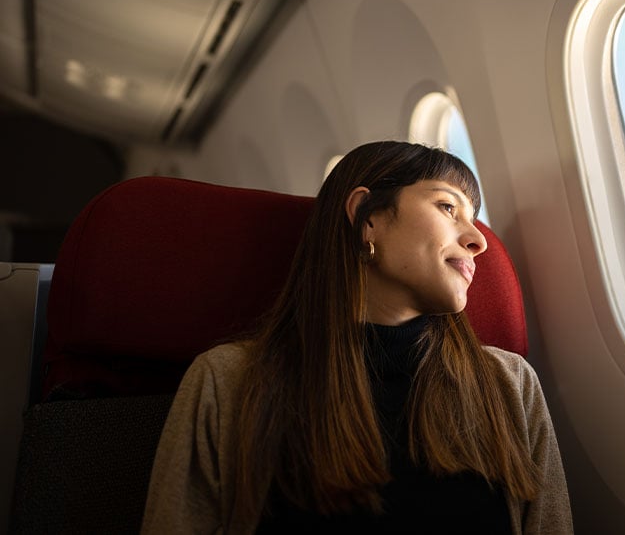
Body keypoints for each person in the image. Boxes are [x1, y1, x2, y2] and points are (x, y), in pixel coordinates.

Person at [141, 141, 573, 533]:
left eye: (473, 218)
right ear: (368, 219)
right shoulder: (229, 382)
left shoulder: (510, 384)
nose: (479, 240)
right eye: (448, 207)